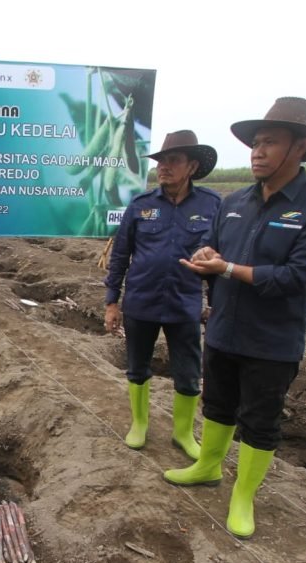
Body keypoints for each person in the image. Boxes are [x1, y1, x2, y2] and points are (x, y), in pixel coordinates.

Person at [165, 97, 306, 539]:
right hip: (225, 328)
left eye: (270, 143)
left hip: (273, 338)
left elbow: (297, 276)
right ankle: (207, 466)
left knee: (260, 419)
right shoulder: (235, 201)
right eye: (255, 143)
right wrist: (207, 254)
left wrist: (225, 269)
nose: (257, 152)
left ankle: (243, 495)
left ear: (300, 148)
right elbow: (211, 245)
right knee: (219, 405)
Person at [104, 131, 220, 459]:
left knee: (187, 371)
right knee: (137, 367)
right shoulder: (141, 206)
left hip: (184, 305)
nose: (164, 167)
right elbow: (120, 255)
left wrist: (216, 304)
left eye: (173, 161)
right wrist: (112, 302)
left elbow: (219, 256)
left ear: (192, 165)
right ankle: (139, 423)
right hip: (141, 302)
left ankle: (183, 433)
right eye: (161, 161)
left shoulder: (211, 205)